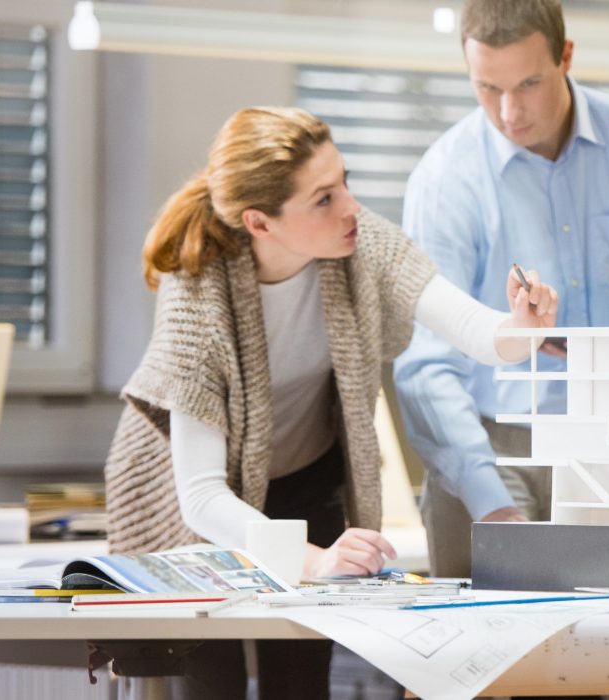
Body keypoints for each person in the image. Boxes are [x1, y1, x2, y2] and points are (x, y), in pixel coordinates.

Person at [104, 106, 558, 699]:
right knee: (210, 681)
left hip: (303, 479)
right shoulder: (197, 293)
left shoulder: (359, 238)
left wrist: (521, 325)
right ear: (260, 222)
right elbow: (203, 498)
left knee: (300, 680)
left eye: (343, 181)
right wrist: (311, 561)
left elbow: (472, 327)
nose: (350, 207)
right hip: (191, 504)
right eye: (323, 198)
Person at [395, 0, 609, 577]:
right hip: (487, 443)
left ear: (565, 56)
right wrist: (488, 500)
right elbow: (428, 364)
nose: (509, 112)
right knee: (482, 630)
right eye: (487, 88)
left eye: (528, 84)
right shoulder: (444, 180)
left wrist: (606, 357)